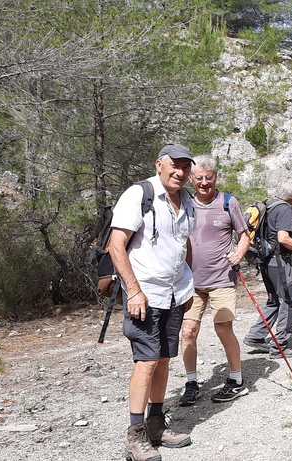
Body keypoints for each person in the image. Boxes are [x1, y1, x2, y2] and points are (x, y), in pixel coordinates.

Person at [108, 144, 197, 461]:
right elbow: (115, 245)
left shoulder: (187, 200)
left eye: (186, 167)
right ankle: (135, 436)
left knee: (162, 360)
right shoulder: (139, 194)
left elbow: (183, 244)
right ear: (160, 164)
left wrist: (188, 284)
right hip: (144, 296)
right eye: (175, 165)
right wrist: (132, 290)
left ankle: (156, 424)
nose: (180, 172)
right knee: (145, 363)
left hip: (174, 294)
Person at [179, 156, 251, 406]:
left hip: (222, 278)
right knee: (188, 331)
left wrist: (238, 253)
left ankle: (236, 380)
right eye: (199, 178)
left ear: (215, 178)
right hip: (190, 282)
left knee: (223, 328)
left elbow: (244, 236)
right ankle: (191, 383)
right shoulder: (184, 202)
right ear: (191, 179)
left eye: (208, 177)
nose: (204, 182)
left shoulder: (228, 203)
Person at [242, 180, 292, 358]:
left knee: (274, 301)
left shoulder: (268, 204)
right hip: (279, 262)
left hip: (265, 260)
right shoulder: (284, 208)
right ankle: (279, 347)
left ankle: (256, 336)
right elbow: (283, 238)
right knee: (288, 302)